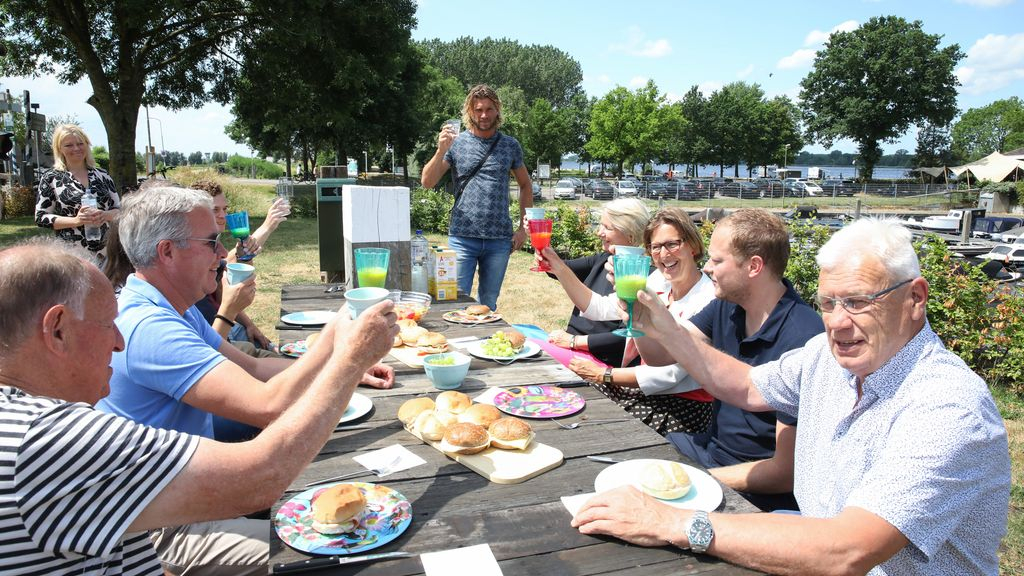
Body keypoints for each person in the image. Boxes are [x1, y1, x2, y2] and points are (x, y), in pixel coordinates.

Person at [573, 218, 1010, 575]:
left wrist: (671, 523)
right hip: (807, 538)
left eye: (857, 302)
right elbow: (744, 385)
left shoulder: (947, 406)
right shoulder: (826, 356)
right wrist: (659, 323)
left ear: (916, 297)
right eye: (827, 302)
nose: (837, 323)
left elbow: (850, 550)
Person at [0, 238, 398, 575]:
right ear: (57, 329)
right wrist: (349, 360)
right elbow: (262, 476)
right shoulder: (45, 439)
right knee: (356, 553)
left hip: (168, 511)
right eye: (107, 325)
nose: (118, 343)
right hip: (180, 523)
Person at [96, 186, 395, 571]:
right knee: (332, 558)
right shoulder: (150, 326)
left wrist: (341, 360)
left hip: (192, 489)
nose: (223, 254)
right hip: (164, 524)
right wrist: (346, 357)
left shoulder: (172, 307)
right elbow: (267, 406)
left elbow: (253, 369)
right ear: (167, 251)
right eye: (211, 242)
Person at [636, 209, 823, 510]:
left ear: (754, 266)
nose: (707, 268)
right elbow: (662, 357)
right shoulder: (727, 305)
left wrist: (702, 478)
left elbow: (785, 473)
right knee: (632, 466)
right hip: (710, 452)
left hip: (758, 491)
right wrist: (642, 321)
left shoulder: (804, 338)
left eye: (717, 260)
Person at [539, 207, 717, 435]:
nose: (663, 254)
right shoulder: (657, 281)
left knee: (596, 430)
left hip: (682, 405)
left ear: (693, 245)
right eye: (655, 247)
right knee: (565, 401)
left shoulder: (708, 298)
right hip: (644, 392)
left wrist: (604, 375)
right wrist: (559, 266)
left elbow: (672, 373)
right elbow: (599, 307)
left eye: (672, 244)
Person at [421, 84, 533, 310]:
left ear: (497, 110)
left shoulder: (510, 145)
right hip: (463, 237)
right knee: (455, 303)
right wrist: (441, 150)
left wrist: (523, 229)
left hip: (499, 240)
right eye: (478, 110)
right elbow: (427, 182)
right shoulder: (456, 143)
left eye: (489, 109)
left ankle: (483, 345)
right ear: (469, 112)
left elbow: (525, 185)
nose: (484, 115)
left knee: (488, 304)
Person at [545, 198, 650, 367]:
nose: (599, 232)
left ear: (630, 235)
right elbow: (557, 269)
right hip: (570, 348)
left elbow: (627, 338)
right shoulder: (603, 259)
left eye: (607, 227)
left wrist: (574, 341)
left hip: (600, 360)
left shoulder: (647, 276)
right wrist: (540, 241)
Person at [34, 124, 120, 252]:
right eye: (69, 145)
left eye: (80, 143)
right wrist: (76, 221)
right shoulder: (51, 178)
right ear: (59, 149)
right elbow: (41, 218)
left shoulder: (102, 175)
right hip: (73, 253)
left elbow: (120, 210)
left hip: (108, 251)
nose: (76, 148)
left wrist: (105, 215)